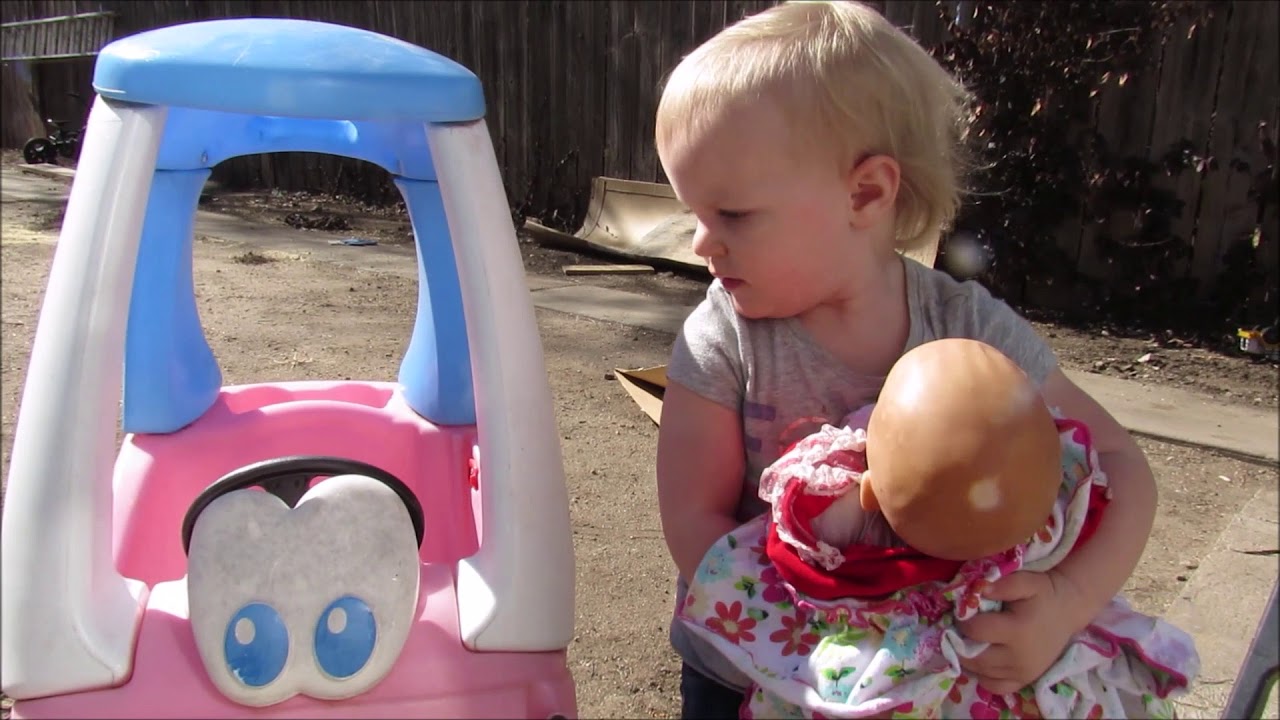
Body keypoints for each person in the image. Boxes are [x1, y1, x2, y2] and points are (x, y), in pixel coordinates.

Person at [653, 2, 1160, 717]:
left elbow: (1121, 465)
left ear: (865, 193)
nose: (702, 244)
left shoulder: (967, 329)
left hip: (930, 680)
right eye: (694, 213)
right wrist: (828, 652)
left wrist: (1065, 603)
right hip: (754, 673)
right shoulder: (722, 338)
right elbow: (693, 519)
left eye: (731, 215)